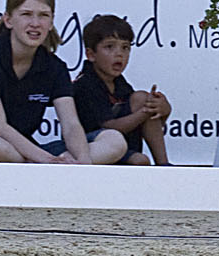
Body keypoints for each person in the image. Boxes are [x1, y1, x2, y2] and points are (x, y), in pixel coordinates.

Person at [0, 0, 126, 164]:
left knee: (114, 141)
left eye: (43, 15)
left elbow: (70, 125)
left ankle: (49, 170)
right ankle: (41, 170)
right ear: (8, 19)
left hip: (27, 153)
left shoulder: (55, 67)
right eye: (26, 14)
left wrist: (82, 162)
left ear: (52, 21)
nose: (35, 23)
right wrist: (46, 160)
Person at [73, 14, 172, 166]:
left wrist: (163, 110)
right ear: (91, 54)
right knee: (140, 160)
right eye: (109, 47)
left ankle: (164, 166)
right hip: (94, 147)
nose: (119, 53)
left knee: (142, 98)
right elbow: (110, 128)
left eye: (125, 47)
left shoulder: (120, 83)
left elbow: (143, 124)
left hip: (124, 147)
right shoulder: (85, 84)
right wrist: (145, 111)